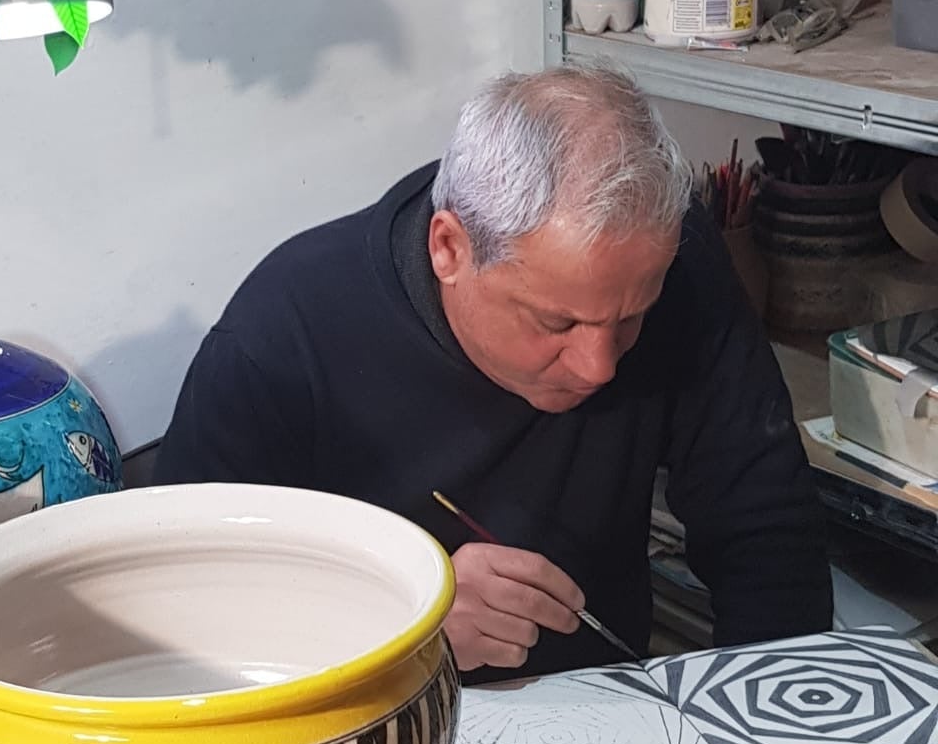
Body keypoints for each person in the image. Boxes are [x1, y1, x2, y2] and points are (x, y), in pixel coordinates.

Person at [154, 62, 832, 681]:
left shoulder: (668, 265)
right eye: (556, 323)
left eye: (632, 317)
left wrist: (774, 727)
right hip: (365, 730)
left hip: (601, 717)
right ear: (450, 247)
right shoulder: (283, 335)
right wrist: (400, 627)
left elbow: (765, 523)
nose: (599, 366)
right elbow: (179, 607)